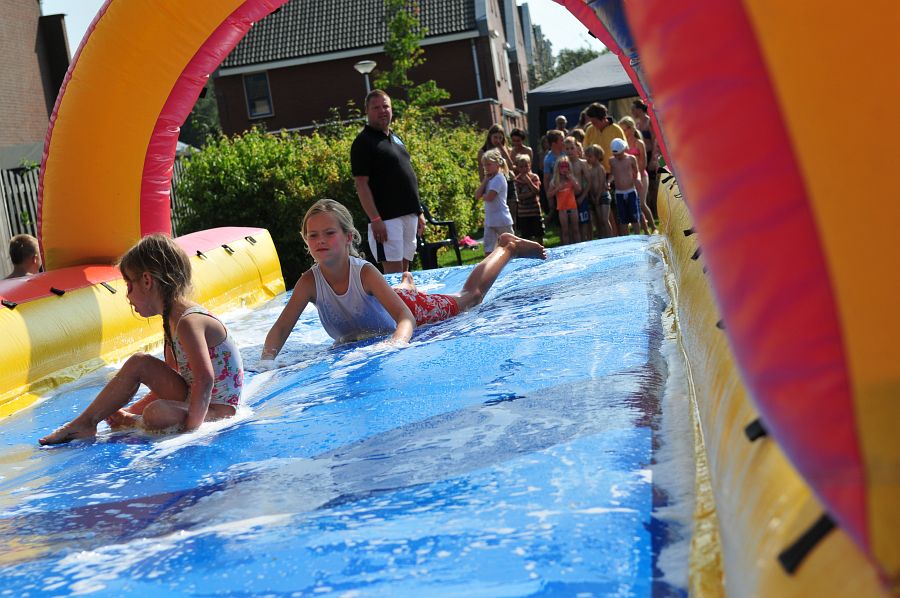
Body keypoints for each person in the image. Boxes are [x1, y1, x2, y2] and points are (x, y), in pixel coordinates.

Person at [260, 199, 546, 358]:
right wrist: (267, 363)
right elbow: (281, 329)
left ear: (348, 237)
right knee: (393, 295)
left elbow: (405, 317)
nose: (320, 240)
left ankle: (506, 246)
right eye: (313, 235)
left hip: (411, 308)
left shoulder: (364, 272)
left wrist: (396, 343)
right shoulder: (309, 283)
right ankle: (405, 284)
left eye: (329, 233)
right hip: (387, 301)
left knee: (470, 297)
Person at [39, 234, 243, 445]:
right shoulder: (171, 321)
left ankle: (129, 422)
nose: (127, 296)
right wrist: (129, 410)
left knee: (156, 413)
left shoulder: (189, 322)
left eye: (129, 285)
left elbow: (205, 379)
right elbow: (171, 383)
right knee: (140, 362)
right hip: (195, 399)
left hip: (217, 410)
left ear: (147, 281)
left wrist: (192, 430)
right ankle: (86, 422)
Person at [351, 89, 426, 274]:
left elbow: (406, 176)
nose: (382, 111)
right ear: (367, 111)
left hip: (409, 215)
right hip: (386, 220)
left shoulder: (395, 138)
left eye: (385, 106)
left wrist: (418, 211)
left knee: (406, 274)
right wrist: (375, 219)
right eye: (376, 107)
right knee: (394, 276)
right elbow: (361, 184)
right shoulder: (363, 142)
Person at [475, 149, 515, 255]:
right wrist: (485, 180)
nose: (486, 167)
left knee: (510, 245)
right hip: (490, 219)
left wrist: (483, 196)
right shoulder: (489, 179)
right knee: (488, 249)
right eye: (484, 165)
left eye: (489, 164)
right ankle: (489, 264)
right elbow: (477, 195)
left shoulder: (499, 178)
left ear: (497, 164)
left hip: (501, 218)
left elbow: (490, 197)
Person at [619, 116, 655, 234]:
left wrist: (637, 176)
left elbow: (643, 162)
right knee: (636, 205)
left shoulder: (639, 143)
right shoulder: (623, 145)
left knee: (641, 203)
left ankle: (653, 227)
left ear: (631, 129)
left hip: (641, 176)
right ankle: (645, 230)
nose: (623, 132)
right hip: (630, 178)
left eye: (624, 129)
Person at [632, 99, 661, 219]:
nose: (632, 112)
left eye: (633, 109)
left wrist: (654, 158)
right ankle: (651, 212)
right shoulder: (638, 125)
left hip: (651, 154)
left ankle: (658, 211)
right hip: (642, 155)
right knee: (645, 187)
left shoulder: (649, 121)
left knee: (654, 185)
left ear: (639, 109)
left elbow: (655, 139)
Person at [608, 138, 642, 236]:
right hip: (619, 192)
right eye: (615, 155)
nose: (617, 157)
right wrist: (608, 182)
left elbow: (637, 172)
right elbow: (612, 174)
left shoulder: (631, 159)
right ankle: (626, 238)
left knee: (635, 216)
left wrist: (638, 179)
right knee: (623, 219)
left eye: (619, 154)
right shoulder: (612, 161)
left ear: (623, 150)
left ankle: (637, 236)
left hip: (631, 191)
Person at [548, 155, 582, 245]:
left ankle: (579, 246)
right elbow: (549, 195)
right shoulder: (555, 181)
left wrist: (572, 179)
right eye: (561, 166)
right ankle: (567, 247)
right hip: (562, 209)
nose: (564, 169)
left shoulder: (571, 179)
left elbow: (579, 189)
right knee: (565, 231)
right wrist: (557, 189)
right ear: (558, 168)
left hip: (573, 207)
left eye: (566, 166)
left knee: (576, 229)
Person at [564, 136, 592, 242]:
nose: (570, 151)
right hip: (568, 198)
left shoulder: (582, 163)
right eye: (567, 149)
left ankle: (584, 243)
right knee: (571, 226)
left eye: (572, 148)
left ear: (577, 148)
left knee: (584, 224)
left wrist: (583, 197)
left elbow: (589, 182)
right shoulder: (563, 164)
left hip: (581, 197)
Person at [513, 154, 543, 242]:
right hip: (523, 213)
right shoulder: (517, 180)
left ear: (530, 165)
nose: (524, 169)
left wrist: (528, 181)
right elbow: (519, 196)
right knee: (527, 237)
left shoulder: (534, 177)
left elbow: (536, 190)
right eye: (521, 167)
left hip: (535, 211)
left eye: (526, 166)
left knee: (538, 235)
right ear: (518, 168)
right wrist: (530, 194)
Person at [584, 144, 612, 239]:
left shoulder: (600, 168)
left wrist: (598, 196)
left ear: (597, 156)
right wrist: (593, 196)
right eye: (587, 156)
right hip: (595, 196)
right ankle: (602, 237)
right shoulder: (590, 169)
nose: (588, 159)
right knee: (599, 221)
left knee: (604, 219)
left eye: (590, 156)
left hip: (603, 196)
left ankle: (610, 238)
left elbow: (601, 183)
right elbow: (590, 184)